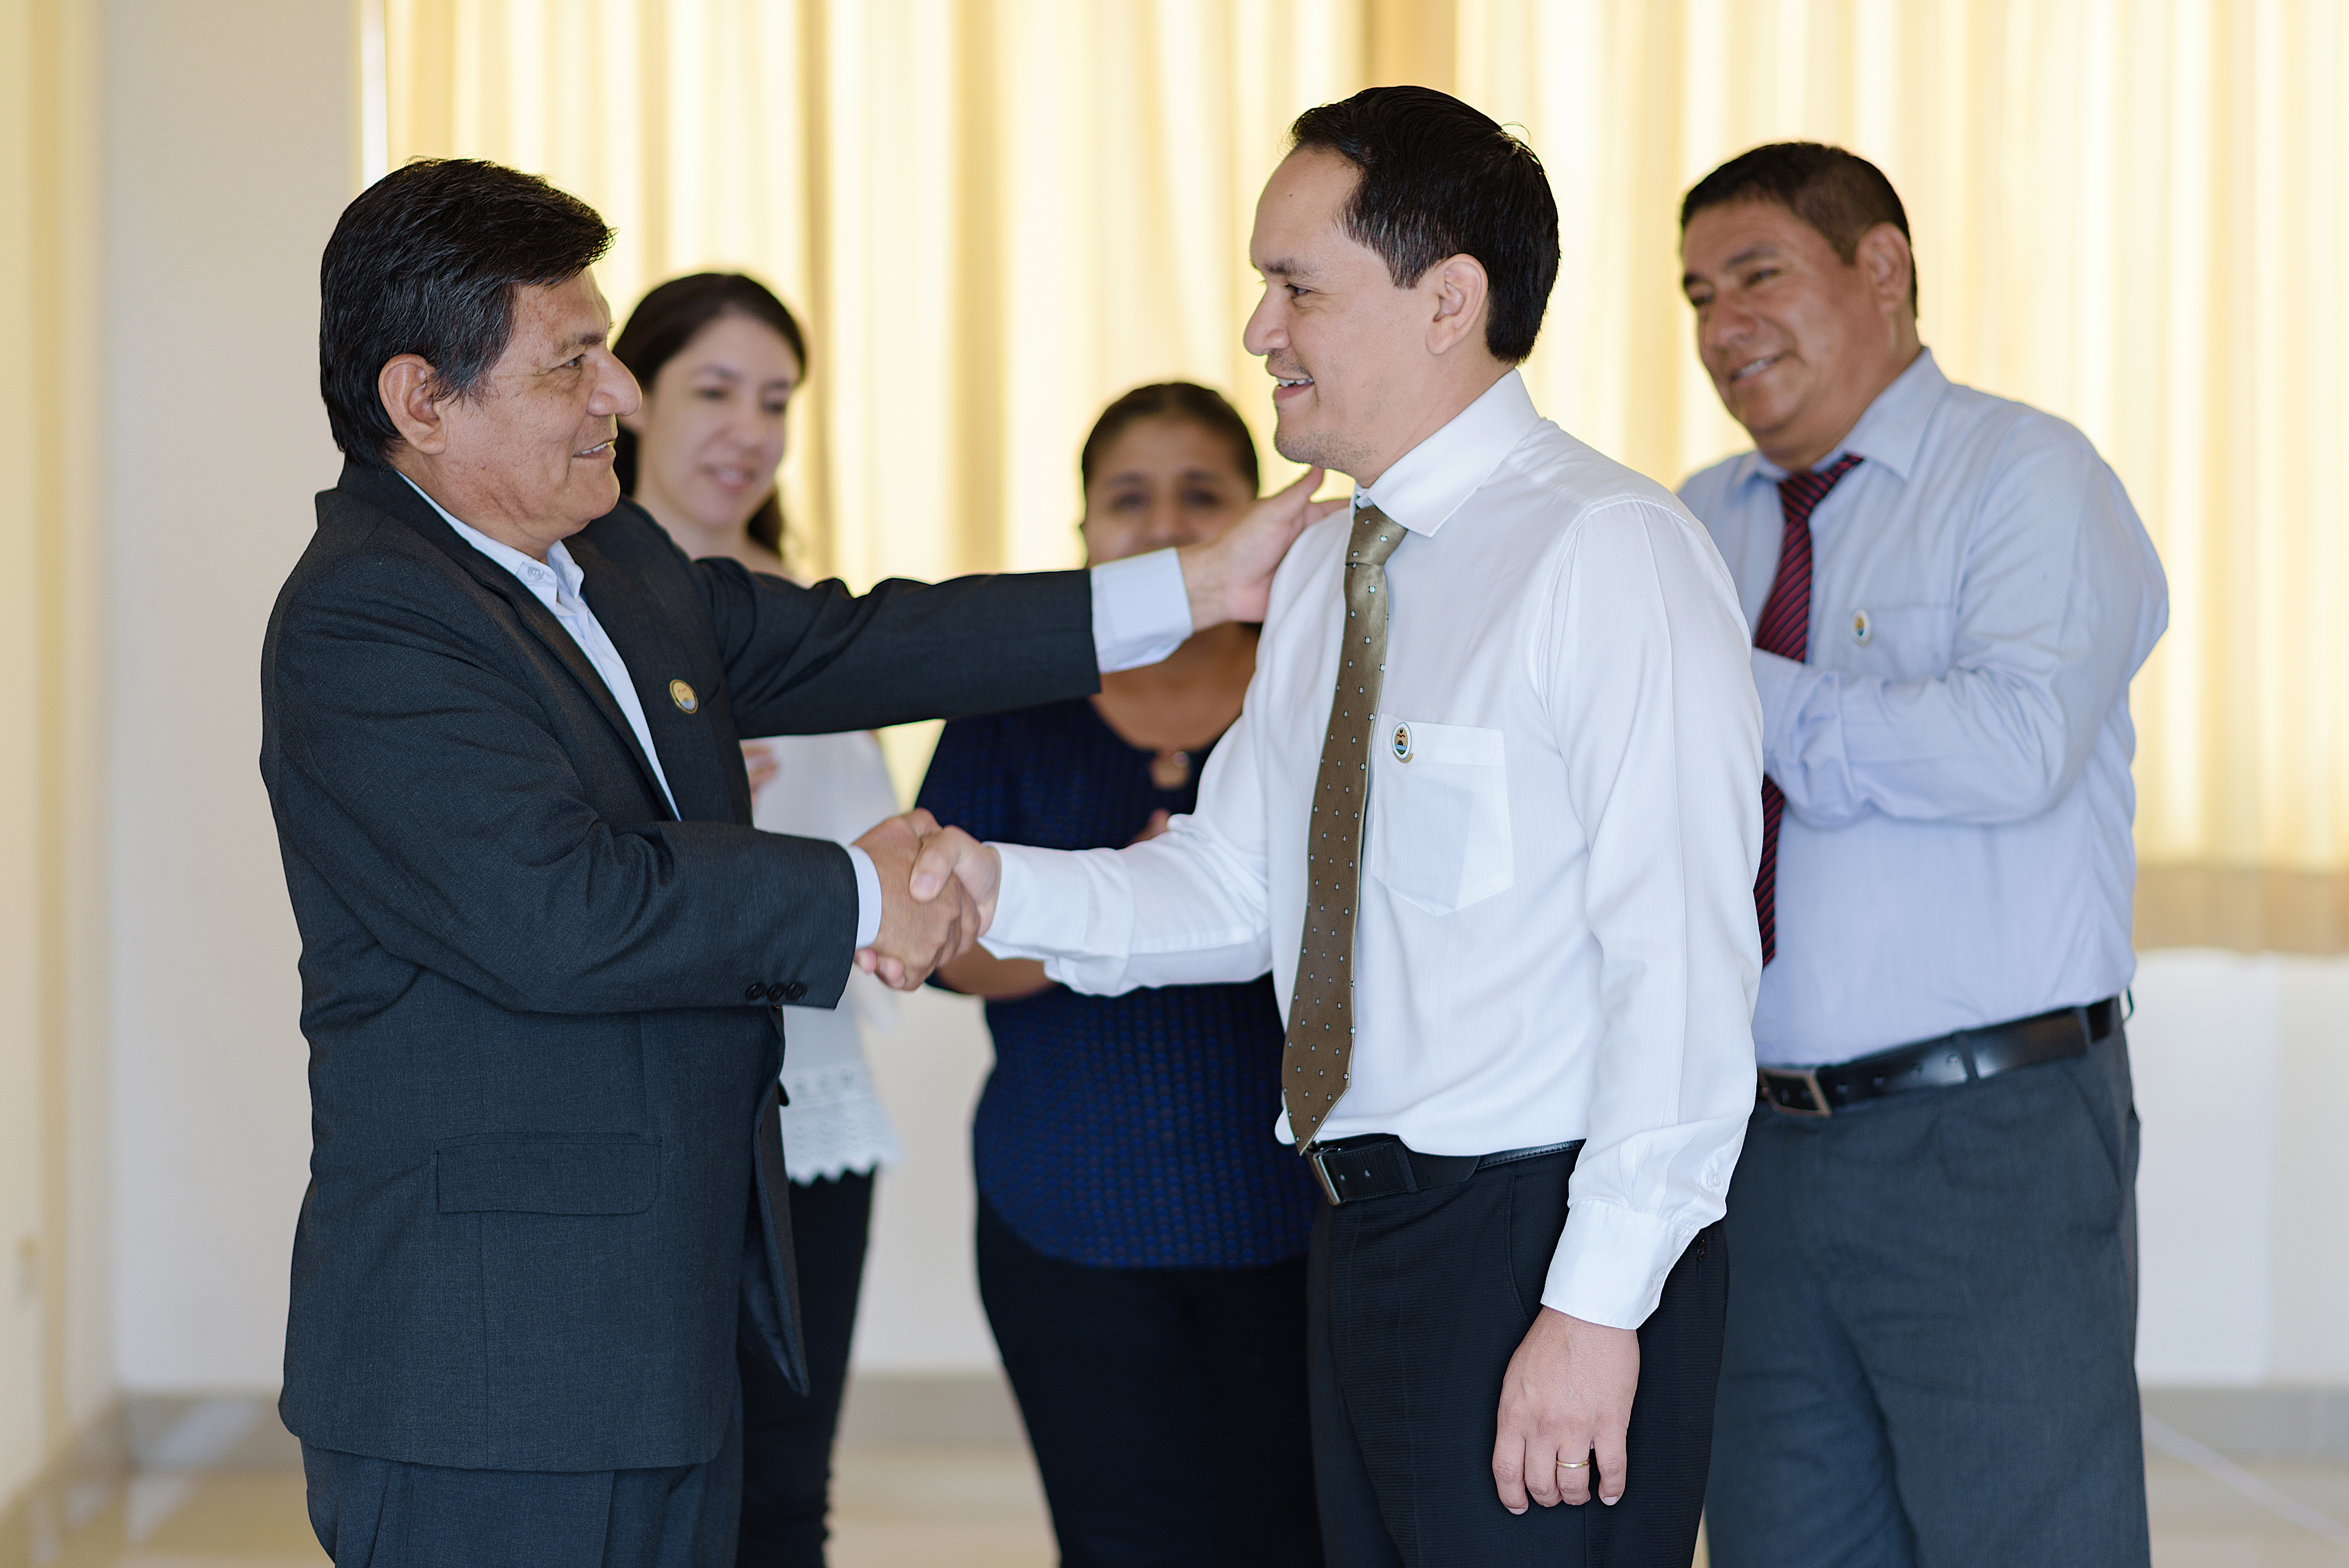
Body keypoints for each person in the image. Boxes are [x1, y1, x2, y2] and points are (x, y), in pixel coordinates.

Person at [261, 157, 1337, 1568]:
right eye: (574, 362)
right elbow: (561, 911)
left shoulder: (610, 559)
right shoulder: (369, 622)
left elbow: (846, 639)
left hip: (663, 1319)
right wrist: (858, 889)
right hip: (494, 1360)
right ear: (422, 400)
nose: (621, 397)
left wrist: (1197, 588)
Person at [907, 88, 1762, 1566]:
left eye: (1296, 285)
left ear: (1448, 301)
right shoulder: (1323, 570)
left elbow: (1682, 965)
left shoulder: (1607, 554)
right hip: (1358, 1233)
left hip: (1538, 1244)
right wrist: (992, 883)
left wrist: (1594, 1309)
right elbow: (1239, 889)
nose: (1258, 331)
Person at [1672, 143, 2168, 1568]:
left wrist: (1733, 693)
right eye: (1700, 293)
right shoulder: (1695, 522)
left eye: (1759, 274)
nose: (1723, 326)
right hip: (1752, 1144)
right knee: (1783, 1542)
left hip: (1987, 1137)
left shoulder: (2026, 475)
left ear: (1881, 268)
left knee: (2029, 1539)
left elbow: (2012, 748)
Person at [918, 383, 1324, 1566]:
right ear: (1085, 531)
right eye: (1127, 499)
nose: (1162, 523)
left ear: (1256, 516)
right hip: (1067, 1220)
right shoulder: (1013, 705)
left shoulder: (1312, 688)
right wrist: (1118, 908)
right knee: (1120, 1541)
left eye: (1200, 494)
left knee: (1292, 1538)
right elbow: (944, 943)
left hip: (1294, 1221)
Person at [612, 271, 905, 1565]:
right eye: (715, 391)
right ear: (628, 398)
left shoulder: (806, 614)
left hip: (810, 1111)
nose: (749, 429)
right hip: (640, 1109)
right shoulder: (568, 607)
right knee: (650, 1482)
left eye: (776, 400)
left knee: (787, 1485)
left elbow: (872, 873)